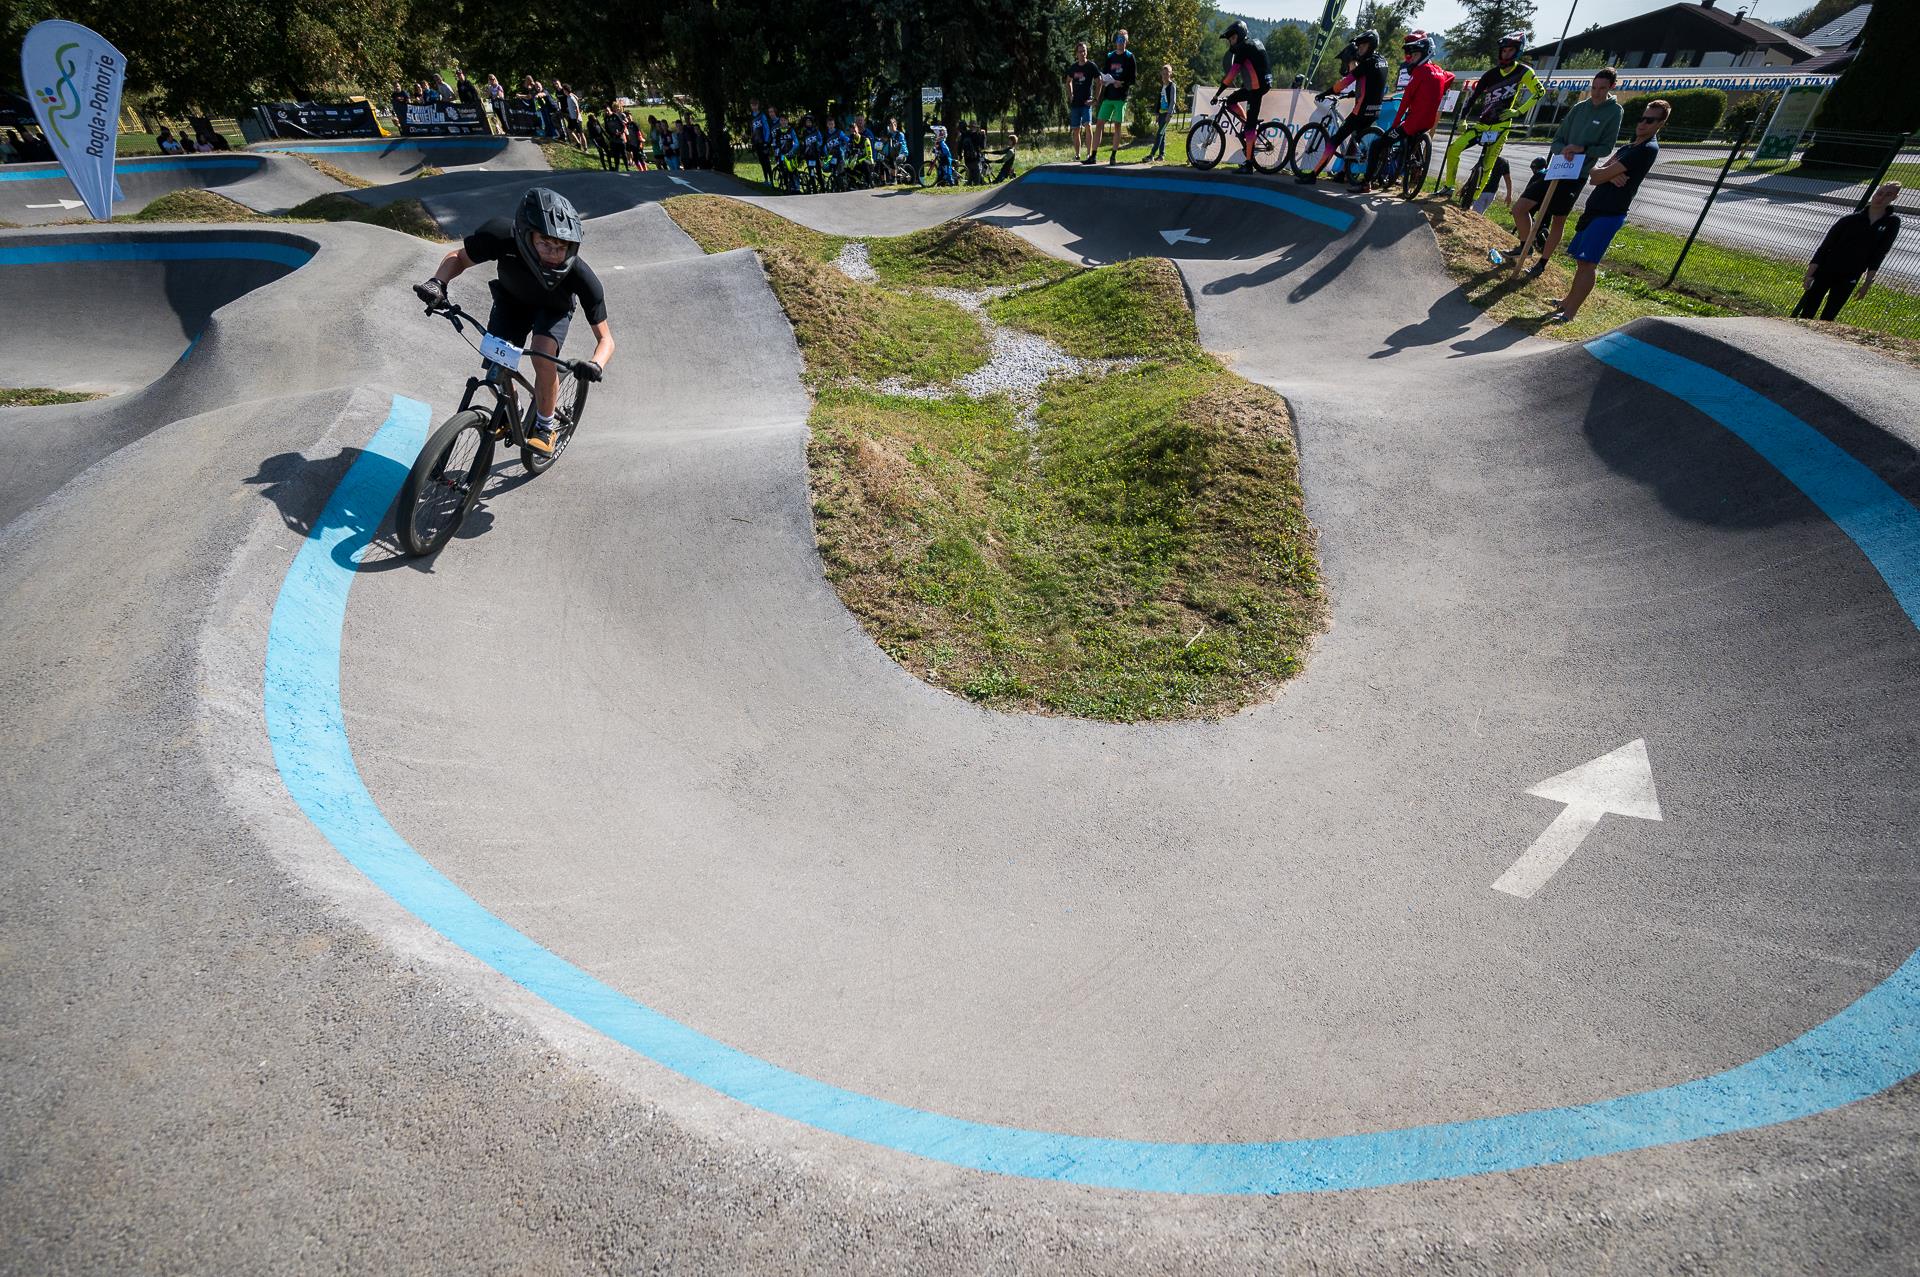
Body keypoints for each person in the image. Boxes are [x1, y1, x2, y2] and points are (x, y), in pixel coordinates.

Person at [413, 188, 613, 455]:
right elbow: (459, 258)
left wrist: (595, 365)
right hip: (512, 303)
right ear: (525, 234)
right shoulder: (499, 236)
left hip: (553, 310)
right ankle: (512, 412)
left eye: (561, 247)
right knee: (496, 365)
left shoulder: (581, 276)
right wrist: (438, 282)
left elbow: (605, 339)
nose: (553, 254)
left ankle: (545, 426)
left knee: (542, 354)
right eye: (545, 243)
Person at [1547, 99, 1669, 323]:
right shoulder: (1628, 148)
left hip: (1610, 213)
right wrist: (1609, 174)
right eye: (1642, 118)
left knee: (1589, 263)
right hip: (1595, 209)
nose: (1642, 123)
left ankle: (1570, 313)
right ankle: (1566, 302)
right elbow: (1594, 173)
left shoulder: (1646, 149)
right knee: (1581, 261)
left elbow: (1598, 175)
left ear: (1660, 123)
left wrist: (1606, 174)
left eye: (1650, 120)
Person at [1510, 67, 1622, 275]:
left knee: (1558, 219)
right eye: (1594, 87)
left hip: (1577, 175)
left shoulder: (1614, 112)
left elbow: (1606, 148)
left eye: (1602, 88)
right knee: (1520, 208)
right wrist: (1563, 149)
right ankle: (1526, 246)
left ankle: (1542, 263)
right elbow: (1557, 139)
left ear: (1611, 87)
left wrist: (1582, 149)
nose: (1596, 92)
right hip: (1557, 168)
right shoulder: (1579, 108)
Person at [1436, 31, 1541, 198]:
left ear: (1518, 51)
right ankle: (1449, 186)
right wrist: (1463, 119)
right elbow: (1473, 97)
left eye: (1510, 50)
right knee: (1453, 149)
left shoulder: (1524, 72)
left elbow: (1539, 92)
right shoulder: (1490, 74)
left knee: (1487, 165)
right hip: (1482, 125)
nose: (1506, 54)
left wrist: (1518, 111)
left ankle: (1472, 200)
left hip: (1501, 127)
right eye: (1504, 50)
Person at [1793, 182, 1904, 322]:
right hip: (1826, 269)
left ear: (1894, 198)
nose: (1881, 198)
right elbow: (1824, 247)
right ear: (1874, 194)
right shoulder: (1849, 220)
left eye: (1888, 195)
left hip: (1851, 274)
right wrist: (1809, 274)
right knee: (1808, 312)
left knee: (1829, 316)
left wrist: (1867, 283)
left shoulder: (1892, 223)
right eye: (1879, 193)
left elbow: (1880, 253)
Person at [1296, 27, 1384, 186]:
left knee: (1335, 140)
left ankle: (1313, 175)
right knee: (1354, 138)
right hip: (1375, 110)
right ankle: (1343, 173)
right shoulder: (1382, 61)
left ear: (1371, 46)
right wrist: (1354, 94)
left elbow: (1344, 83)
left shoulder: (1366, 63)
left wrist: (1326, 92)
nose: (1360, 49)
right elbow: (1373, 84)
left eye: (1363, 46)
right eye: (1359, 46)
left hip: (1362, 110)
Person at [1372, 30, 1452, 189]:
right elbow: (1450, 76)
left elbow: (1406, 100)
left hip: (1413, 120)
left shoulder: (1419, 70)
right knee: (1409, 145)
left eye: (1415, 54)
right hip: (1427, 121)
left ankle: (1369, 179)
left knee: (1379, 143)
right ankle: (1407, 174)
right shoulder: (1438, 70)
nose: (1411, 56)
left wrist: (1395, 124)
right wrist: (1438, 91)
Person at [1217, 19, 1273, 175]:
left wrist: (1217, 93)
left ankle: (1249, 165)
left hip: (1257, 88)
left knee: (1250, 127)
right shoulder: (1251, 43)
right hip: (1256, 85)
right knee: (1231, 101)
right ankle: (1247, 124)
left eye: (1233, 38)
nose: (1231, 42)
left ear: (1240, 35)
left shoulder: (1243, 48)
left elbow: (1231, 74)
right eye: (1230, 39)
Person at [1089, 29, 1136, 165]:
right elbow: (1104, 73)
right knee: (1099, 123)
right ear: (1116, 41)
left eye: (1123, 40)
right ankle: (1093, 155)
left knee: (1117, 125)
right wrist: (1104, 81)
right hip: (1108, 96)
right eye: (1118, 40)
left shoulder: (1129, 57)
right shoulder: (1110, 56)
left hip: (1121, 97)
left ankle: (1113, 156)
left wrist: (1122, 83)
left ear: (1126, 42)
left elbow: (1132, 79)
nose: (1120, 43)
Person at [1065, 42, 1099, 160]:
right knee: (1076, 129)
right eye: (1080, 51)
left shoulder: (1091, 66)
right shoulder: (1073, 67)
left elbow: (1099, 81)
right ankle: (1077, 154)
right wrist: (1070, 95)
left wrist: (1095, 99)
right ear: (1076, 54)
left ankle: (1089, 154)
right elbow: (1068, 81)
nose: (1082, 53)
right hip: (1075, 104)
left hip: (1086, 103)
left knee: (1088, 125)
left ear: (1086, 52)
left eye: (1084, 50)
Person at [1144, 64, 1176, 162]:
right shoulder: (1162, 86)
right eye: (1163, 74)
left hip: (1167, 114)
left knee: (1159, 134)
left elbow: (1173, 101)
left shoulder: (1172, 86)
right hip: (1161, 113)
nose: (1164, 76)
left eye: (1167, 73)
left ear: (1170, 74)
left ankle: (1152, 155)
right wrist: (1157, 114)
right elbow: (1159, 100)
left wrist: (1169, 114)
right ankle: (1161, 155)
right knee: (1162, 134)